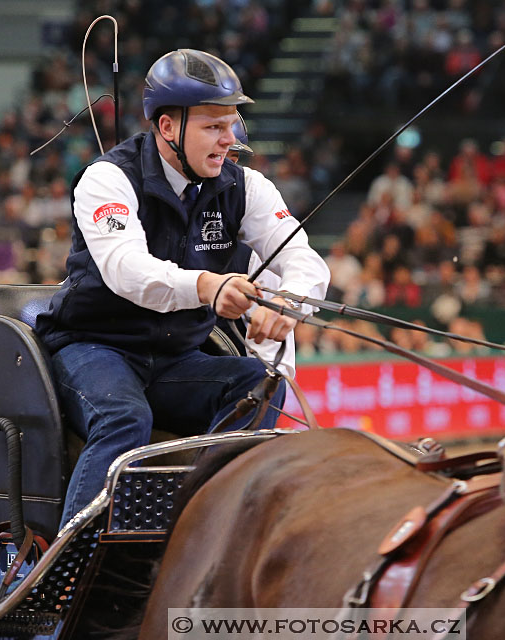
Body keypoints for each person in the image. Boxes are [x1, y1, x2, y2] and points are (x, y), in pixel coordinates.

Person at [35, 49, 329, 525]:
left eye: (231, 125)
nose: (229, 140)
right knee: (124, 418)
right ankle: (67, 575)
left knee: (257, 385)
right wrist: (208, 286)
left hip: (176, 360)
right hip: (93, 347)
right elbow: (126, 269)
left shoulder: (247, 187)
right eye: (214, 127)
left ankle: (202, 530)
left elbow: (302, 259)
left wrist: (286, 302)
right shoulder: (107, 179)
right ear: (168, 127)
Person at [220, 112, 296, 380]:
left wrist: (288, 303)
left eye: (232, 158)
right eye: (217, 155)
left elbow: (273, 367)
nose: (224, 167)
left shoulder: (256, 253)